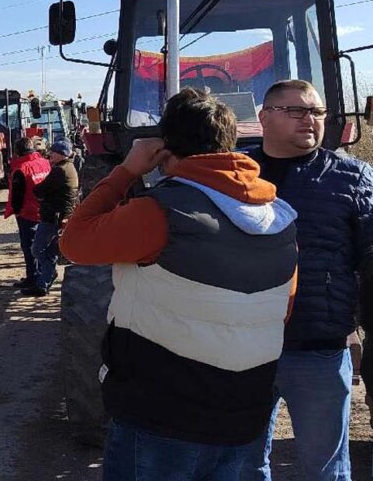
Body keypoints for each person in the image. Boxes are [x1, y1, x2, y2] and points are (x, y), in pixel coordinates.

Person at [59, 88, 298, 480]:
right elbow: (281, 309)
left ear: (165, 147)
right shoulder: (281, 219)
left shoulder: (158, 214)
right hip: (243, 413)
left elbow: (74, 242)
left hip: (161, 419)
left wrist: (127, 171)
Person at [240, 80, 373, 481]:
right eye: (296, 111)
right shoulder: (233, 173)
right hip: (242, 349)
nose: (310, 120)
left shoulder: (352, 177)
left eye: (316, 112)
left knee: (327, 470)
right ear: (264, 117)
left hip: (318, 350)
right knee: (244, 465)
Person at [26, 139, 78, 296]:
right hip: (60, 215)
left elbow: (40, 190)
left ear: (62, 155)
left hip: (53, 216)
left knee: (37, 249)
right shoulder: (69, 167)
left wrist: (39, 192)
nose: (50, 154)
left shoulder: (59, 171)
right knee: (50, 250)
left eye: (53, 152)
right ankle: (44, 282)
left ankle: (48, 274)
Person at [4, 136, 52, 289]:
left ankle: (33, 278)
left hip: (27, 214)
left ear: (18, 152)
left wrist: (17, 212)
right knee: (44, 245)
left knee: (29, 247)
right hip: (45, 212)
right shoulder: (45, 164)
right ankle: (43, 275)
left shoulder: (21, 169)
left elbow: (17, 195)